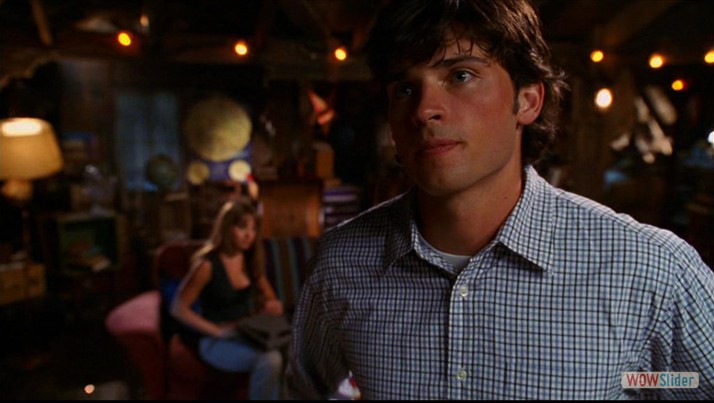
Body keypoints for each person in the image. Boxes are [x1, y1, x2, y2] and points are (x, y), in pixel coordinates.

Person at [285, 0, 714, 400]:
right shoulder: (342, 262)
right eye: (404, 88)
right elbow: (308, 390)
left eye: (460, 75)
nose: (424, 110)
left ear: (527, 100)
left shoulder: (652, 271)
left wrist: (630, 380)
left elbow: (689, 382)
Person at [170, 196, 285, 400]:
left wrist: (272, 305)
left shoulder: (249, 260)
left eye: (253, 229)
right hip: (215, 341)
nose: (249, 235)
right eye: (242, 227)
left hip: (249, 333)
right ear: (227, 228)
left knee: (292, 350)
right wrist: (217, 331)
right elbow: (178, 308)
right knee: (271, 359)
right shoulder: (207, 264)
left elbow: (270, 298)